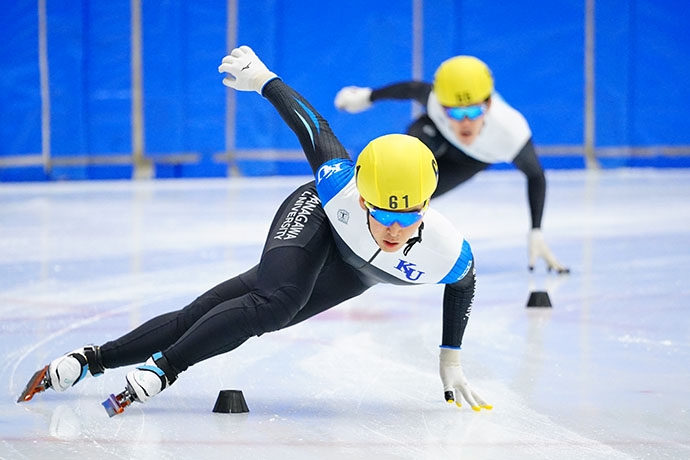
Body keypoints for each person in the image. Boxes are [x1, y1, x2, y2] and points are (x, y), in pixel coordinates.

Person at [18, 46, 491, 416]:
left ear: (427, 206)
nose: (392, 228)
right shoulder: (339, 186)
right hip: (318, 219)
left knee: (234, 311)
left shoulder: (446, 250)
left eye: (407, 216)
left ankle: (89, 360)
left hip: (355, 274)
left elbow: (463, 286)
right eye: (383, 212)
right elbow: (313, 125)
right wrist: (264, 80)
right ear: (362, 197)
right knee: (275, 301)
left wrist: (450, 358)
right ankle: (163, 370)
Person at [334, 55, 569, 273]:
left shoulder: (510, 132)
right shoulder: (436, 100)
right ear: (442, 106)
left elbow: (536, 176)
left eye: (473, 111)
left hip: (473, 160)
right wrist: (366, 97)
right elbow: (412, 89)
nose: (464, 122)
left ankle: (384, 238)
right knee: (410, 160)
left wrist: (536, 230)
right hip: (437, 134)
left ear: (487, 105)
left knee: (417, 195)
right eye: (455, 114)